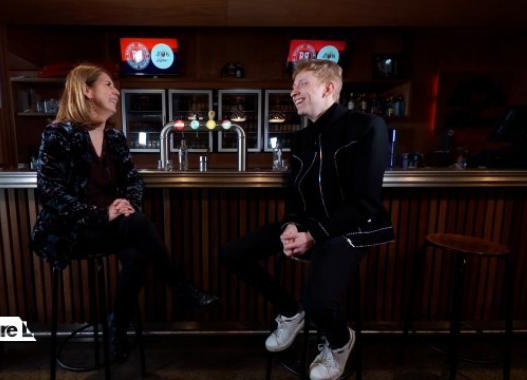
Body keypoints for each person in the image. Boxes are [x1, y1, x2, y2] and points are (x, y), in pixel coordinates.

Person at [31, 64, 218, 362]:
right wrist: (101, 214)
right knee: (139, 230)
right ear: (86, 90)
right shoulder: (58, 134)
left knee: (138, 250)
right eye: (108, 85)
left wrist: (126, 204)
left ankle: (116, 327)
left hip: (113, 226)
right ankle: (179, 288)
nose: (116, 91)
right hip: (70, 231)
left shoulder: (114, 137)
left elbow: (132, 179)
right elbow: (49, 193)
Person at [221, 59, 394, 380]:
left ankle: (341, 342)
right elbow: (297, 198)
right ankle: (289, 313)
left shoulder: (367, 126)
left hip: (354, 228)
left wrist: (313, 233)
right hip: (311, 226)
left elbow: (366, 203)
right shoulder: (301, 139)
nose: (293, 91)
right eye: (294, 85)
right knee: (233, 253)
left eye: (302, 84)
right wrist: (291, 225)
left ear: (329, 88)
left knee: (317, 301)